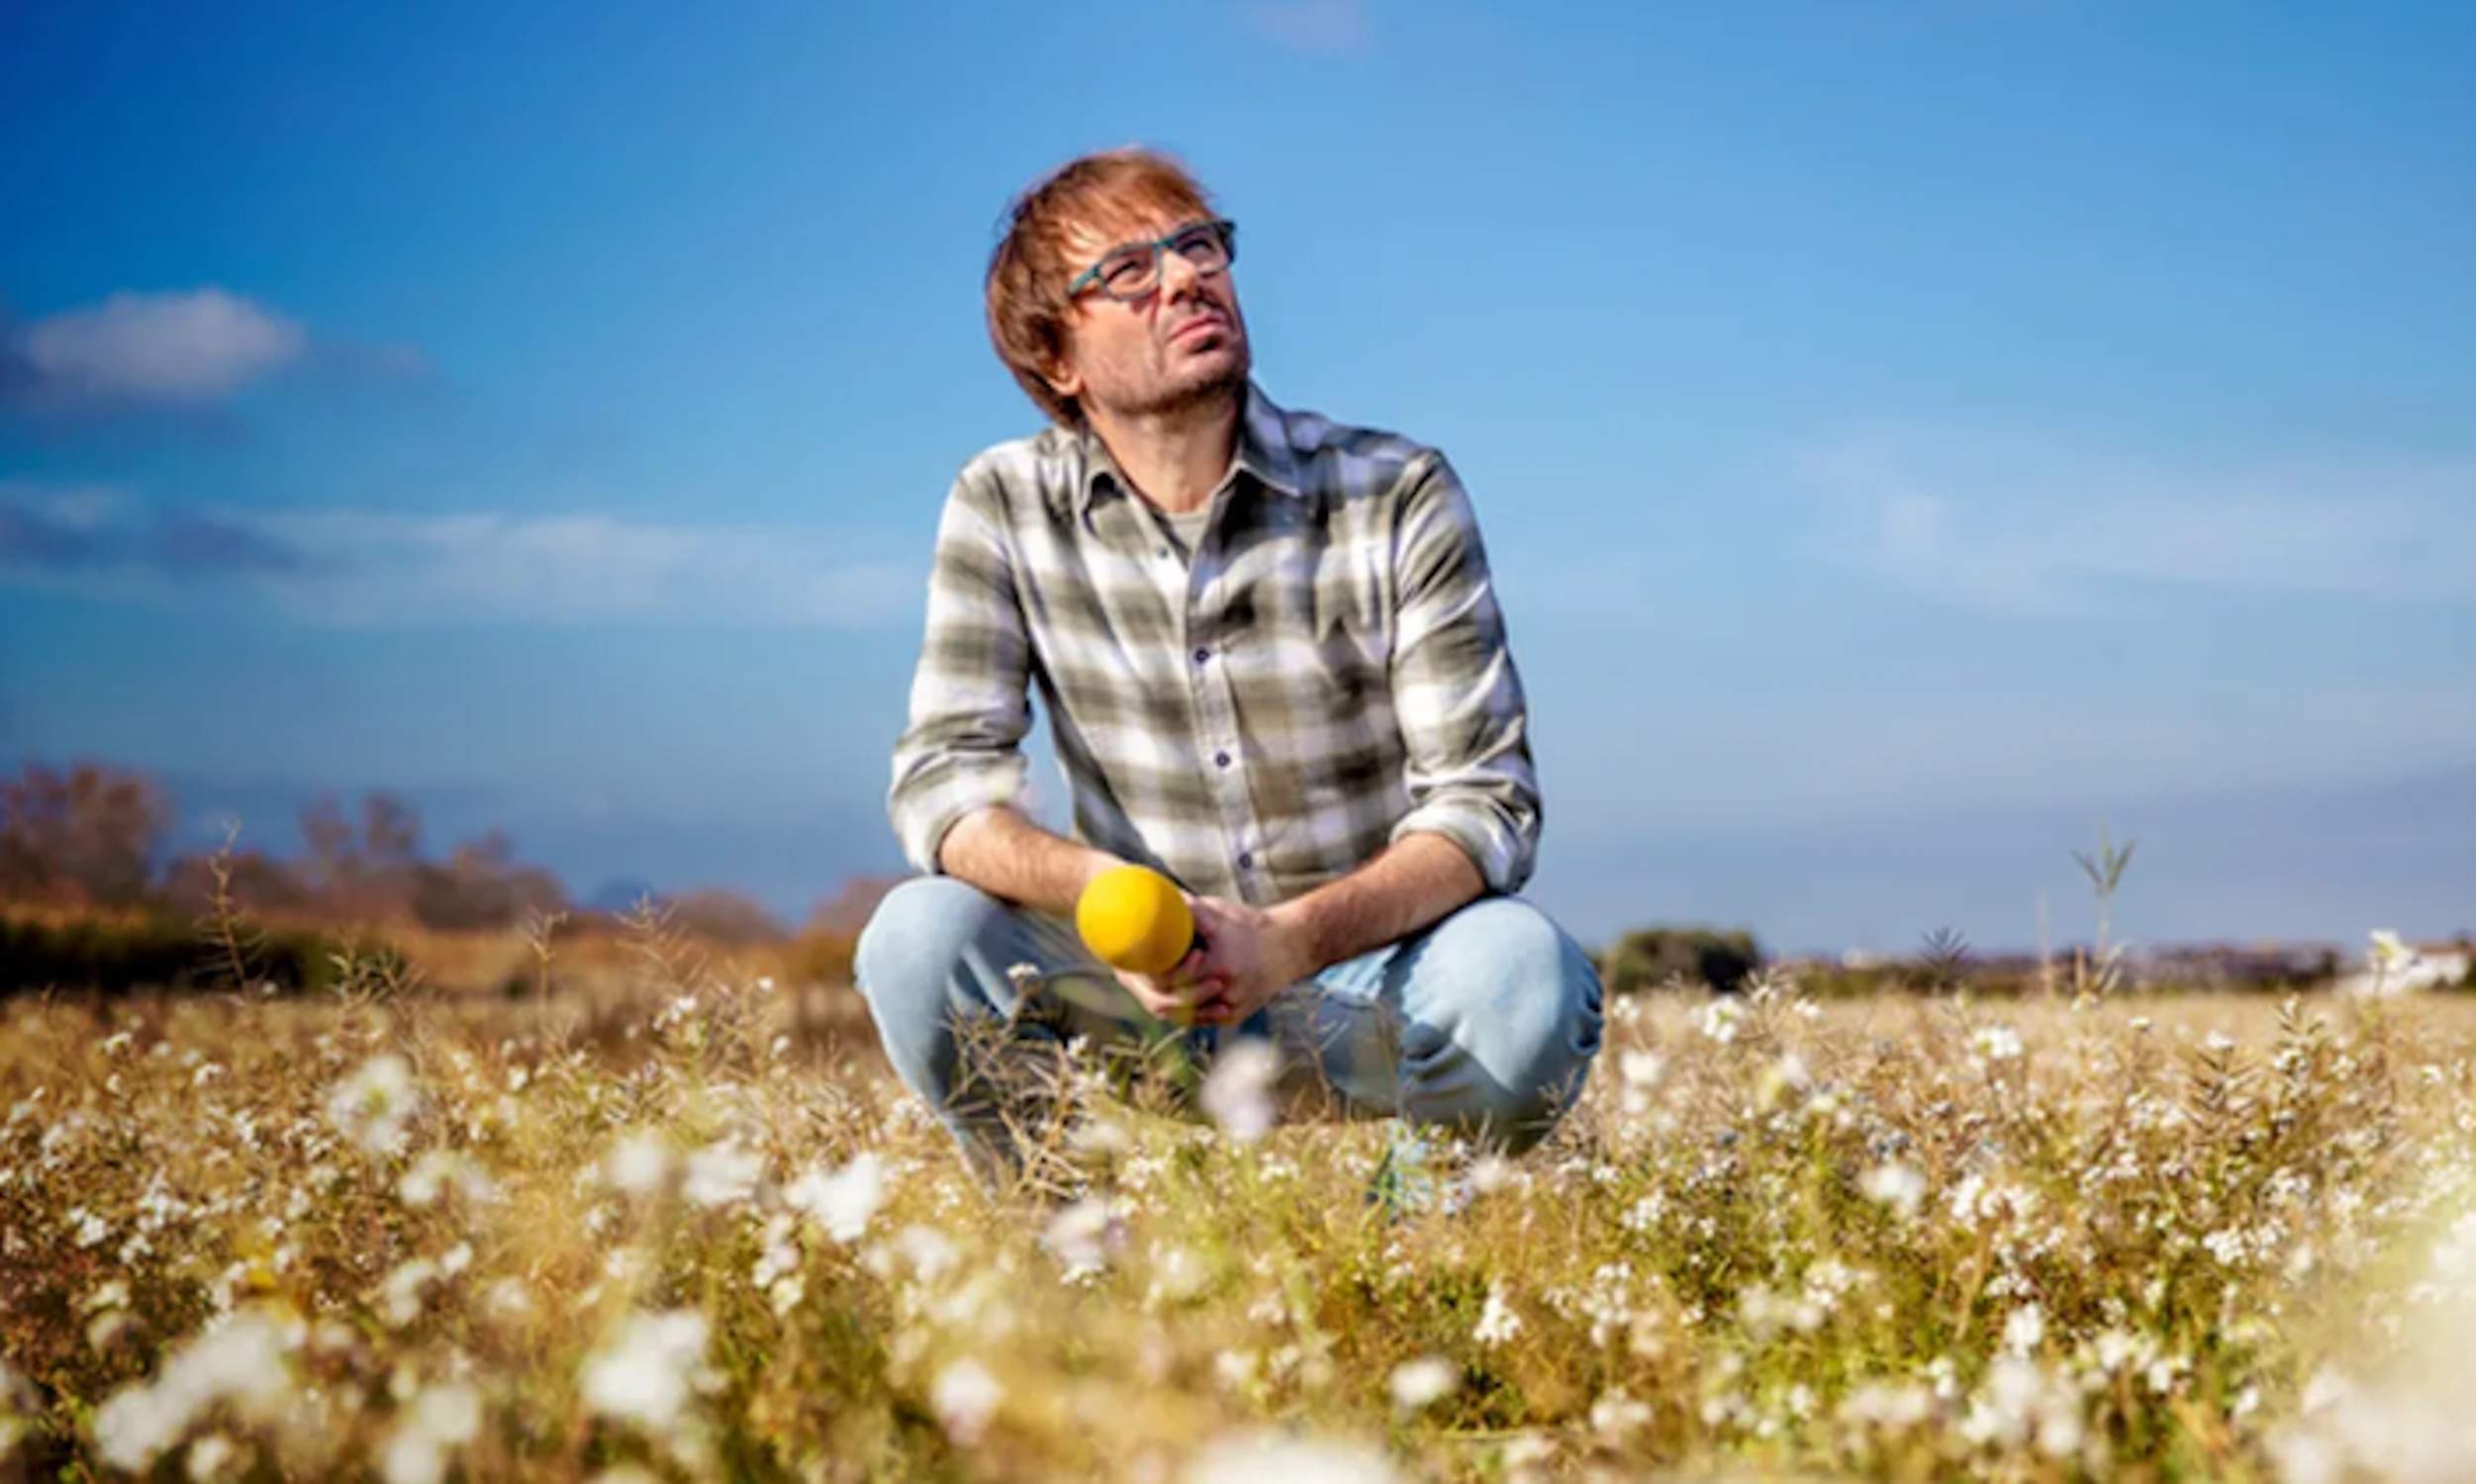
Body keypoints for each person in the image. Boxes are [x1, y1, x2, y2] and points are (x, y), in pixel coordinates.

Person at [854, 145, 1602, 1183]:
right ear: (1057, 361)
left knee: (1525, 973)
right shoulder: (1001, 504)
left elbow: (1485, 806)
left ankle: (1406, 1281)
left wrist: (1290, 942)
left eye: (1197, 244)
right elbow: (943, 785)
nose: (1183, 277)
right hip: (1134, 994)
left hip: (1365, 983)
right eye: (1126, 270)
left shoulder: (1396, 490)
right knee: (916, 939)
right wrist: (1096, 889)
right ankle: (1079, 1260)